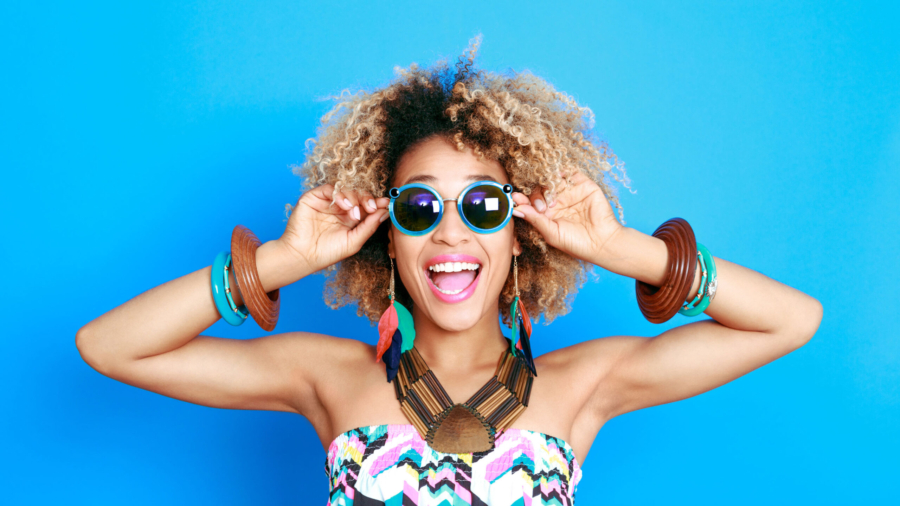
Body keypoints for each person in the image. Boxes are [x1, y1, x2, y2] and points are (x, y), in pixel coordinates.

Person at [75, 40, 823, 506]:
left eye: (486, 204)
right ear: (385, 237)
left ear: (521, 236)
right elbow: (110, 347)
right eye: (419, 206)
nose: (451, 231)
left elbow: (793, 320)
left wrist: (623, 248)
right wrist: (285, 260)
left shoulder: (582, 387)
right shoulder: (327, 377)